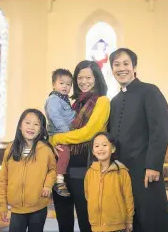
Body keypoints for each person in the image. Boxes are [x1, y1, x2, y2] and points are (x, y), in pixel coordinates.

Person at [108, 48, 168, 232]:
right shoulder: (114, 101)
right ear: (112, 69)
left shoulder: (150, 91)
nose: (121, 68)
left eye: (126, 64)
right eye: (116, 64)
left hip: (146, 170)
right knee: (130, 221)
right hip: (123, 172)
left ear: (134, 66)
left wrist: (153, 165)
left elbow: (160, 130)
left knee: (152, 220)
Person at [50, 60, 110, 232]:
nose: (84, 81)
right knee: (64, 221)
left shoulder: (102, 101)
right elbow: (55, 126)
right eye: (80, 78)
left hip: (84, 169)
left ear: (96, 78)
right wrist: (51, 140)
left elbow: (89, 132)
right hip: (62, 168)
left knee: (87, 221)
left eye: (88, 77)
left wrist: (57, 139)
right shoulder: (73, 104)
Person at [0, 108, 57, 232]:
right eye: (27, 122)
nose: (31, 127)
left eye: (36, 124)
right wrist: (2, 204)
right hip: (17, 208)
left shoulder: (45, 150)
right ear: (20, 125)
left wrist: (47, 185)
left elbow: (52, 170)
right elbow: (3, 179)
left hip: (38, 206)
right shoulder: (10, 150)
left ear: (41, 129)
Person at [85, 132, 134, 232]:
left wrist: (129, 220)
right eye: (97, 146)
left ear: (113, 148)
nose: (101, 148)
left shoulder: (122, 171)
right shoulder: (90, 172)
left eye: (104, 145)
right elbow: (88, 196)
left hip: (117, 225)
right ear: (93, 151)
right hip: (96, 226)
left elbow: (128, 198)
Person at [45, 68, 75, 197]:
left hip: (64, 133)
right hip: (58, 134)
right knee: (64, 152)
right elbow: (55, 116)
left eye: (68, 84)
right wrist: (68, 133)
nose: (65, 86)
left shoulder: (64, 99)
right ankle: (59, 180)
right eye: (61, 83)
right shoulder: (53, 99)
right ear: (53, 84)